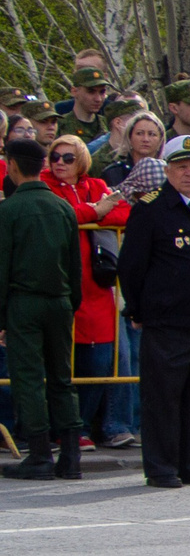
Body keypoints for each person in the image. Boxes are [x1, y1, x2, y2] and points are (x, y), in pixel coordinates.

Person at [118, 135, 190, 487]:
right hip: (168, 319)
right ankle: (162, 465)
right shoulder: (151, 208)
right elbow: (131, 267)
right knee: (164, 397)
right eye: (181, 167)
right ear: (167, 170)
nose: (189, 173)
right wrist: (138, 309)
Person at [39, 134, 132, 457]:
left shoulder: (95, 183)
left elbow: (124, 213)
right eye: (55, 157)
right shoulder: (44, 185)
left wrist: (90, 211)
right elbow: (58, 215)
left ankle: (81, 425)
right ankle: (63, 428)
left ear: (81, 160)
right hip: (59, 282)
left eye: (68, 157)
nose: (60, 163)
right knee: (60, 362)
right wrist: (95, 210)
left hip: (96, 286)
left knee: (99, 361)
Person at [0, 136, 83, 477]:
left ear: (13, 166)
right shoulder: (62, 207)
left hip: (24, 303)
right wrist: (70, 304)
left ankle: (39, 454)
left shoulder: (8, 210)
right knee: (62, 378)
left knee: (29, 377)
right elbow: (74, 265)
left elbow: (2, 268)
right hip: (60, 302)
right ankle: (71, 457)